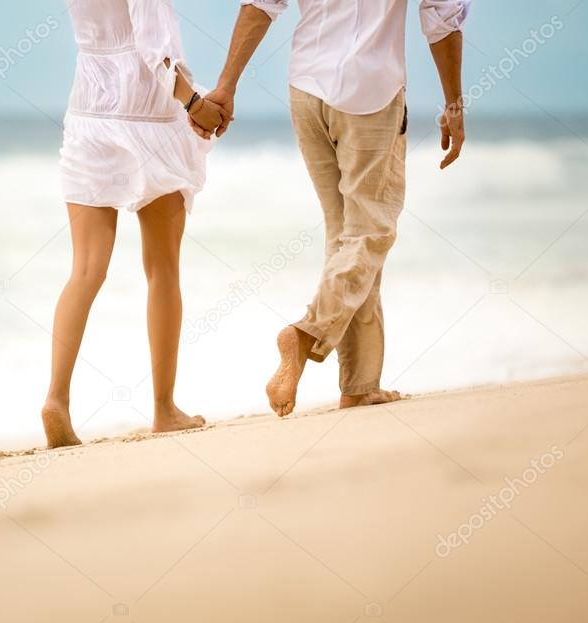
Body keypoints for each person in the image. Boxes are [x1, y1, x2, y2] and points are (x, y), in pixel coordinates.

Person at [195, 0, 471, 416]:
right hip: (370, 91)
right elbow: (441, 16)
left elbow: (260, 4)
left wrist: (226, 85)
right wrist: (453, 103)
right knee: (371, 231)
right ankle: (306, 335)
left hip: (307, 88)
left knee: (346, 236)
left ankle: (360, 384)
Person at [42, 0, 231, 448]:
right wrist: (195, 103)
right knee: (162, 268)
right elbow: (156, 50)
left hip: (90, 109)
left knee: (86, 270)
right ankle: (165, 409)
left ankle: (57, 399)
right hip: (148, 111)